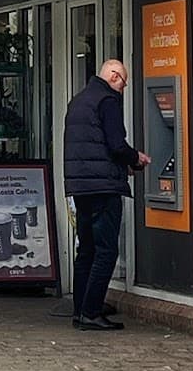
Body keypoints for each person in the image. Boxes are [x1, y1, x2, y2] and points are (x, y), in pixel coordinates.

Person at [63, 59, 150, 331]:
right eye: (123, 83)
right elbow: (115, 144)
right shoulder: (107, 100)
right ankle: (91, 312)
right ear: (114, 76)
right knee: (106, 250)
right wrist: (136, 158)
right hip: (103, 187)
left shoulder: (78, 101)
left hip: (80, 186)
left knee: (86, 249)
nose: (122, 90)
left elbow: (92, 145)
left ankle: (80, 310)